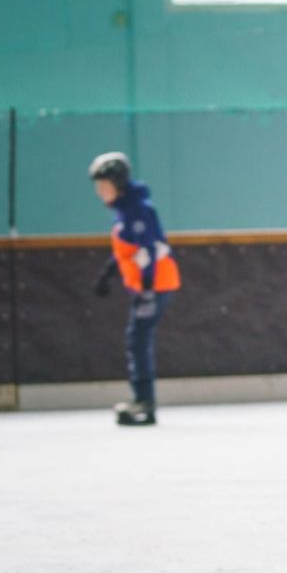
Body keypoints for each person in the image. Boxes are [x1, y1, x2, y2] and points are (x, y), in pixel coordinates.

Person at [88, 151, 180, 427]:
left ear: (118, 183)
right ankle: (143, 399)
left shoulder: (138, 209)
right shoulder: (126, 209)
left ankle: (144, 401)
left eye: (104, 186)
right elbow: (127, 251)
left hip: (157, 283)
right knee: (137, 339)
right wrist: (108, 274)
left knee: (137, 339)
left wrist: (149, 288)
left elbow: (150, 249)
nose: (100, 192)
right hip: (148, 284)